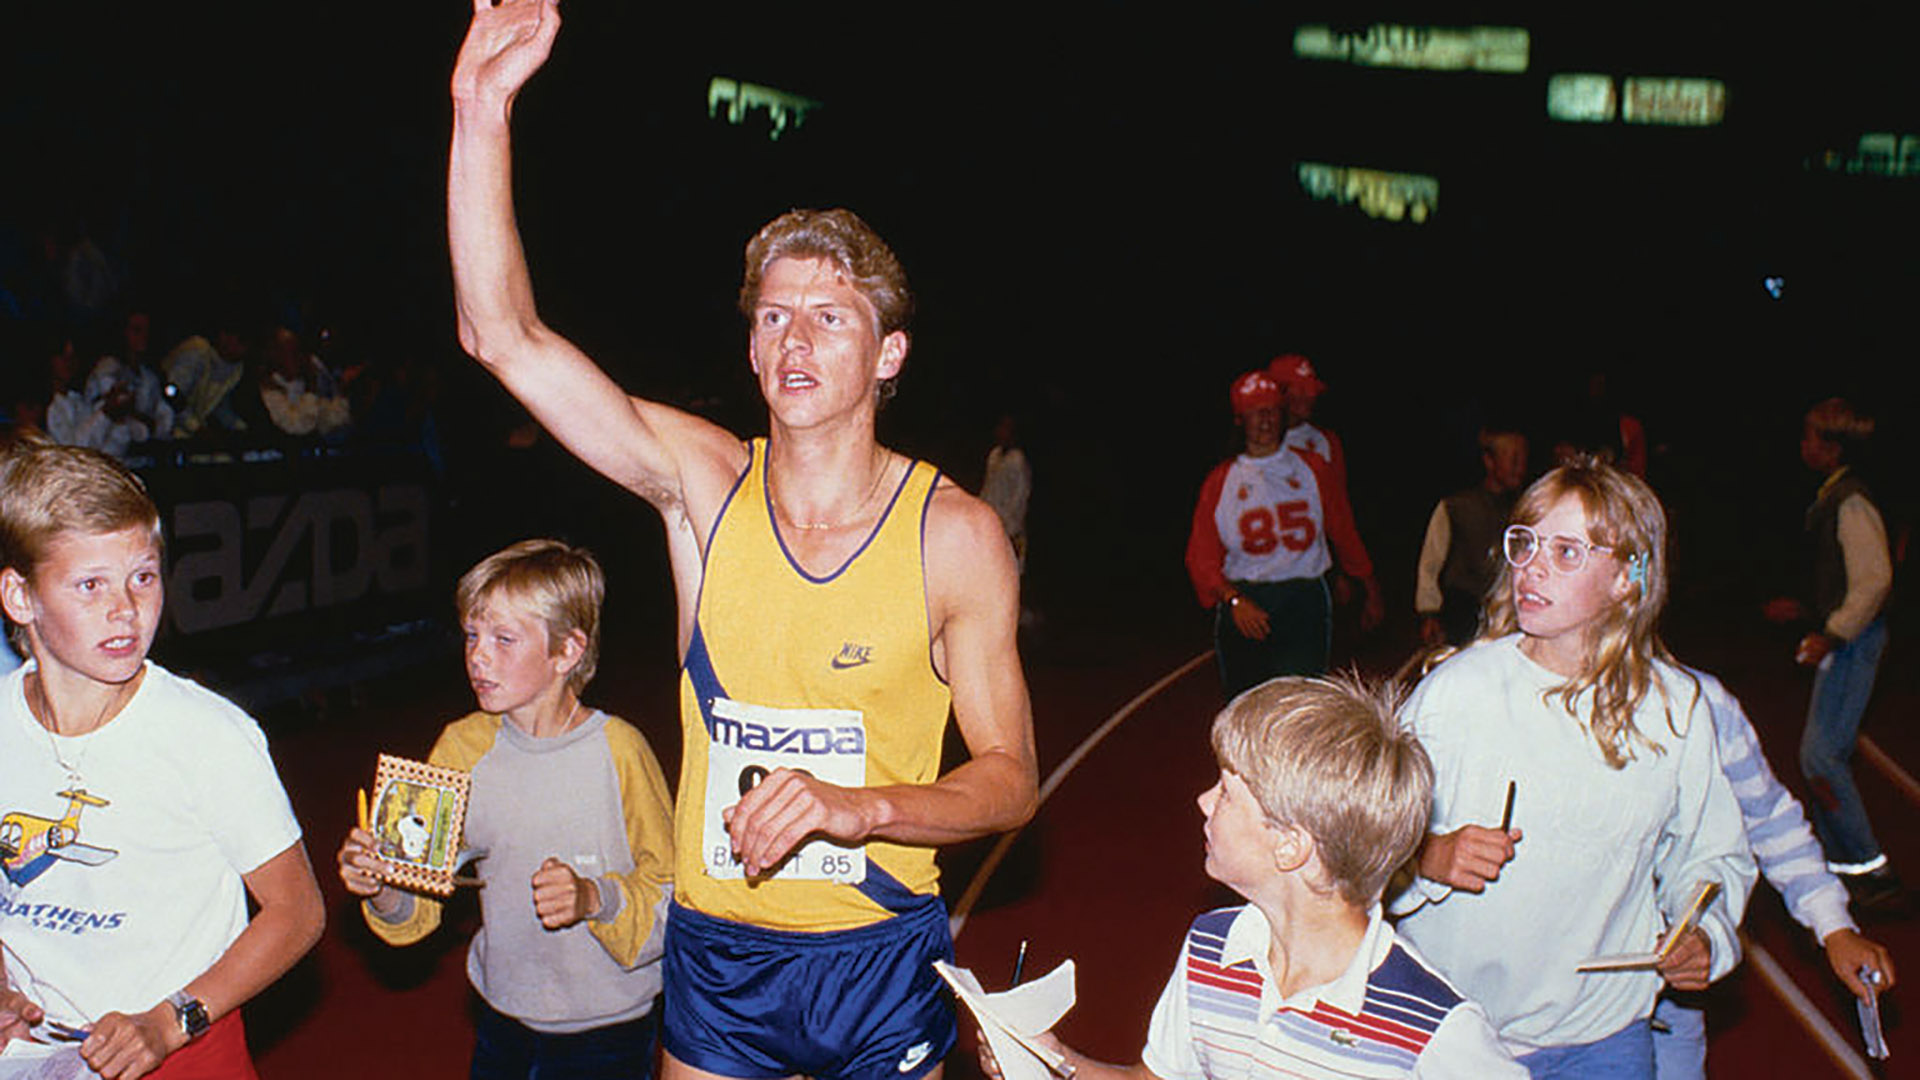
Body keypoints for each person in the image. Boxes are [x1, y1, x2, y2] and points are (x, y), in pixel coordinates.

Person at [446, 6, 1040, 1080]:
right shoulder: (704, 485)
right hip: (721, 947)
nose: (794, 338)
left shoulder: (953, 534)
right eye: (772, 317)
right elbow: (503, 335)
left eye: (829, 316)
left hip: (877, 947)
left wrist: (861, 810)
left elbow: (1010, 781)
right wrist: (479, 108)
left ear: (889, 352)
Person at [1391, 458, 1755, 1077]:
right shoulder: (1455, 692)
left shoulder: (1675, 711)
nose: (1531, 565)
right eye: (1526, 542)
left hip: (1602, 1037)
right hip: (1449, 1031)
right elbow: (1361, 846)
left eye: (1566, 551)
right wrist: (1428, 857)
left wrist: (1707, 936)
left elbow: (1714, 856)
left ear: (1627, 578)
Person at [980, 674, 1524, 1080]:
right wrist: (1054, 1061)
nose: (1201, 801)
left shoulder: (1428, 1029)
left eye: (1227, 793)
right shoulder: (1211, 950)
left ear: (1290, 845)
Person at [0, 436, 324, 1079]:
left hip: (182, 1051)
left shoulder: (207, 735)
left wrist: (173, 1020)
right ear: (20, 597)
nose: (125, 609)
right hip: (34, 1055)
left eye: (142, 577)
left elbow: (298, 912)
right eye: (90, 585)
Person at [338, 539, 673, 1079]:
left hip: (609, 1031)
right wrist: (382, 885)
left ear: (567, 652)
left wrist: (594, 896)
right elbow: (416, 912)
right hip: (503, 1019)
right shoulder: (459, 748)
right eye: (472, 635)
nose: (478, 656)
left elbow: (674, 897)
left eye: (504, 639)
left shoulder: (621, 750)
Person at [1651, 668, 1894, 1079]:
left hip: (1670, 987)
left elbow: (1766, 816)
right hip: (1545, 998)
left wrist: (1833, 925)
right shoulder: (1511, 691)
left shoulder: (1701, 703)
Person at [1763, 397, 1899, 908]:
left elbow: (1874, 579)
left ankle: (1874, 872)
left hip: (1855, 643)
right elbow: (1844, 577)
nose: (1804, 446)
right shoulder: (1833, 496)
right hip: (1848, 638)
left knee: (1821, 756)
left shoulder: (1850, 501)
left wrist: (1833, 632)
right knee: (1821, 754)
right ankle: (1847, 866)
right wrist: (1803, 611)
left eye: (1810, 437)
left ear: (1833, 446)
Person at [1185, 371, 1378, 697]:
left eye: (1272, 410)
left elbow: (1343, 529)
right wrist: (1232, 598)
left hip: (1303, 598)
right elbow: (1200, 556)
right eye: (1255, 412)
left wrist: (1369, 585)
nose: (1265, 420)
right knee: (1245, 709)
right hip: (1246, 599)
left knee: (1299, 704)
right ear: (1239, 420)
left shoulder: (1313, 468)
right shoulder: (1222, 481)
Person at [1416, 428, 1528, 647]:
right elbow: (1430, 563)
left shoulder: (1526, 509)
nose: (1518, 466)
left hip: (1510, 613)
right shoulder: (1456, 507)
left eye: (1523, 457)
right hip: (1463, 614)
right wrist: (1429, 613)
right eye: (1511, 458)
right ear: (1489, 461)